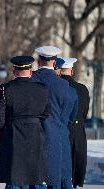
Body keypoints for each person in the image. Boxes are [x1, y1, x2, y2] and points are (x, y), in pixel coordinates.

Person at [0, 56, 50, 189]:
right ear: (30, 72)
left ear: (14, 71)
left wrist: (6, 131)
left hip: (13, 137)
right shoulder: (42, 89)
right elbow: (46, 113)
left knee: (14, 179)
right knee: (36, 178)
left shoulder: (6, 89)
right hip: (36, 136)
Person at [31, 46, 73, 189]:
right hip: (54, 138)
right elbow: (65, 113)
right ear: (55, 63)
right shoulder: (62, 84)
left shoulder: (30, 80)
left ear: (37, 61)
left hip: (30, 137)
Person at [59, 58, 90, 188]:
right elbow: (84, 112)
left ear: (59, 72)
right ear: (71, 71)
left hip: (62, 129)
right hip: (77, 130)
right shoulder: (82, 89)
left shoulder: (57, 87)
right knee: (76, 164)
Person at [55, 58, 78, 189]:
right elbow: (72, 117)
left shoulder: (42, 88)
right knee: (64, 175)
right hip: (63, 134)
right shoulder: (72, 92)